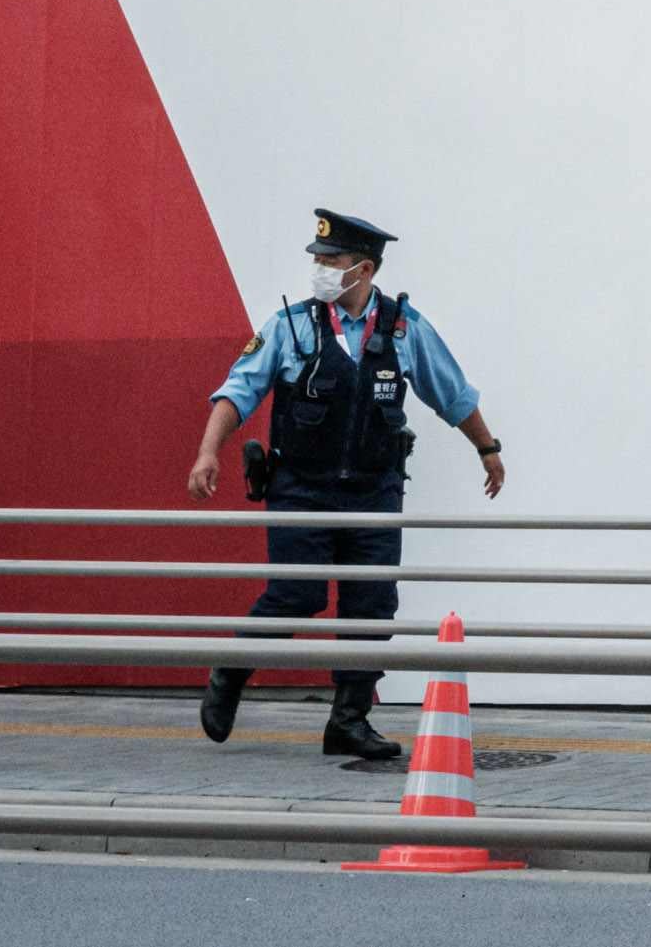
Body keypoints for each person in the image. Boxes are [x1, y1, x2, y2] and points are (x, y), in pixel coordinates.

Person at [189, 207, 503, 763]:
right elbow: (238, 390)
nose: (321, 269)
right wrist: (208, 451)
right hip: (302, 491)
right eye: (318, 260)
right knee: (297, 595)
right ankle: (230, 672)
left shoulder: (404, 328)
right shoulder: (289, 326)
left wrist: (488, 448)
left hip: (373, 493)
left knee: (371, 606)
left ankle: (349, 721)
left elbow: (452, 393)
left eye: (331, 261)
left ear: (364, 269)